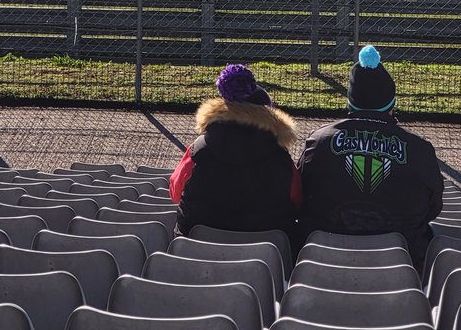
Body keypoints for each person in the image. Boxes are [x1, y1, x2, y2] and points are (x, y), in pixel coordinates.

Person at [299, 45, 442, 268]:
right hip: (402, 270)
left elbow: (301, 198)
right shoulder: (420, 149)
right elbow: (433, 209)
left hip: (322, 266)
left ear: (350, 101)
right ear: (391, 105)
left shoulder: (318, 142)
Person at [169, 64, 300, 235]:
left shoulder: (199, 149)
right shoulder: (280, 156)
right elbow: (296, 200)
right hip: (265, 251)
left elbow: (175, 191)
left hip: (199, 246)